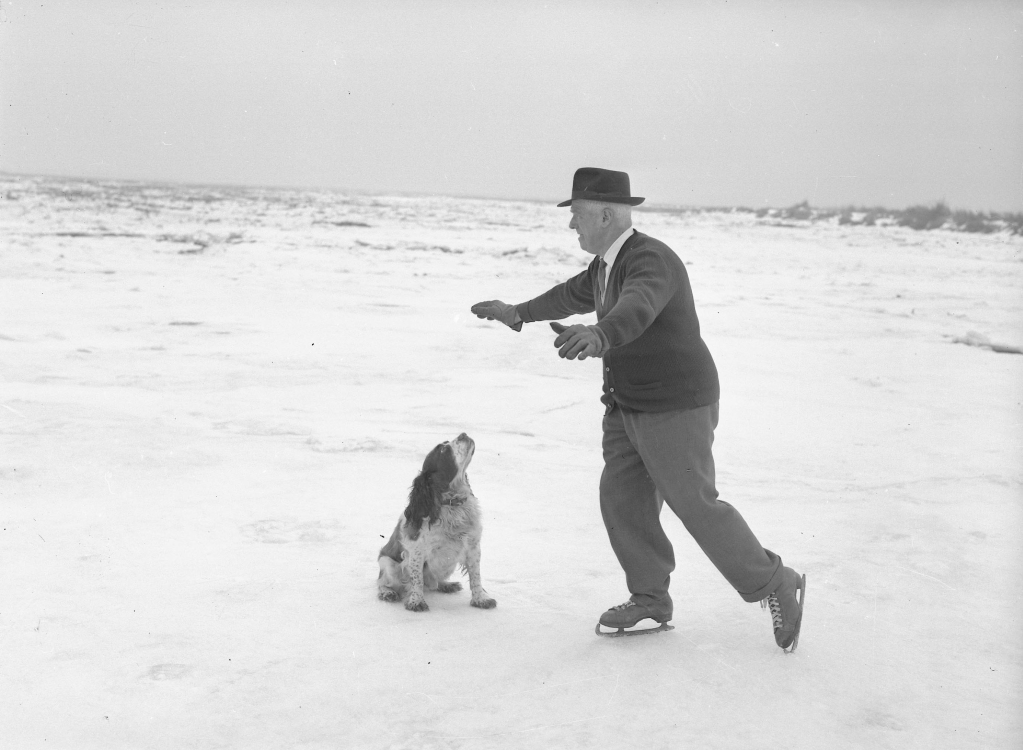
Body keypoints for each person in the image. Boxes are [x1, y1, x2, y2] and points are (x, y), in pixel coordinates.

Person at [470, 167, 805, 650]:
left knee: (694, 503)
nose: (572, 227)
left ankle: (776, 582)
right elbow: (572, 294)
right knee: (623, 497)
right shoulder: (605, 265)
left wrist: (600, 335)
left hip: (675, 403)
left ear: (606, 214)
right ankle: (650, 597)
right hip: (628, 403)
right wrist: (518, 312)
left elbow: (638, 306)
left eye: (578, 216)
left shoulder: (650, 260)